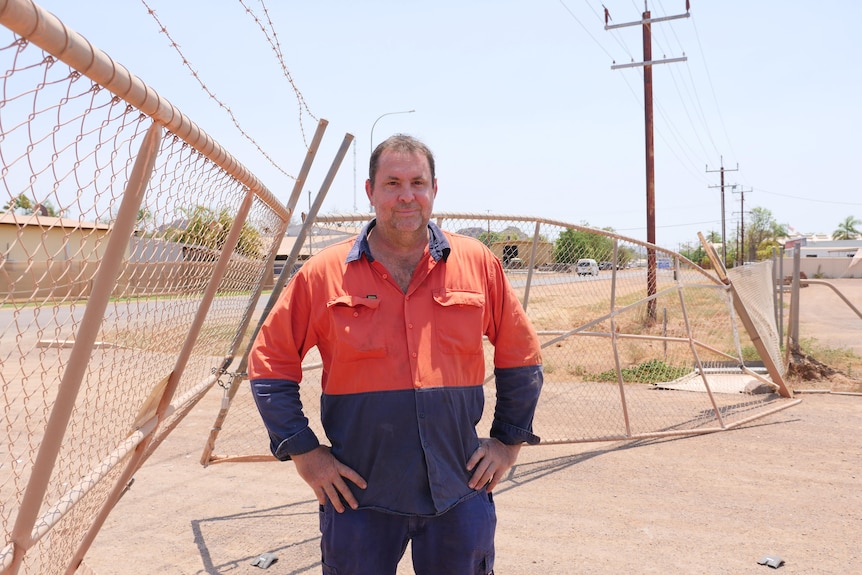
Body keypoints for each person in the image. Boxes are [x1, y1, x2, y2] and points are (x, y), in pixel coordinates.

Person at [248, 134, 543, 575]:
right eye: (392, 183)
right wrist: (305, 454)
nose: (406, 196)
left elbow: (522, 358)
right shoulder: (323, 274)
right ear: (370, 191)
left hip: (458, 488)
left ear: (434, 189)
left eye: (417, 182)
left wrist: (507, 443)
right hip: (358, 495)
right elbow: (270, 365)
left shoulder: (477, 263)